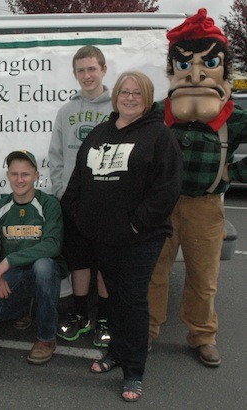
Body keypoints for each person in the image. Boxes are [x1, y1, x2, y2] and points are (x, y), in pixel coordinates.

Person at [61, 71, 182, 402]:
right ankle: (115, 352)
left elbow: (166, 189)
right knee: (112, 297)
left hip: (140, 238)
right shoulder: (100, 132)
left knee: (132, 299)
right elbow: (80, 177)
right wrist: (78, 215)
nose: (130, 98)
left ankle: (134, 371)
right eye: (124, 92)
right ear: (115, 96)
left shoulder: (159, 136)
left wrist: (135, 225)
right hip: (102, 236)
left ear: (148, 98)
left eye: (137, 93)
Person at [148, 9, 247, 368]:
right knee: (154, 272)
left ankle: (202, 335)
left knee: (204, 277)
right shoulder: (158, 111)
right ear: (172, 68)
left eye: (209, 62)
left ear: (224, 67)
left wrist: (232, 171)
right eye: (185, 64)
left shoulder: (233, 115)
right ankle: (147, 329)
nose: (196, 72)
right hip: (162, 206)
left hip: (205, 207)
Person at [48, 45, 112, 347]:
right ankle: (80, 315)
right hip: (73, 202)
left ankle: (104, 319)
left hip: (107, 201)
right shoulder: (66, 111)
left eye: (92, 69)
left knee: (106, 262)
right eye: (81, 70)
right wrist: (62, 192)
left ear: (103, 70)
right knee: (79, 261)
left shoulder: (117, 109)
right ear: (75, 74)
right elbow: (56, 156)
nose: (87, 75)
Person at [0, 150, 66, 365]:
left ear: (36, 176)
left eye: (25, 174)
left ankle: (46, 338)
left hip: (44, 270)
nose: (19, 179)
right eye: (14, 174)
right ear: (7, 175)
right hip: (16, 275)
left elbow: (53, 245)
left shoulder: (48, 204)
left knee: (43, 267)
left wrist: (8, 261)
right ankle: (24, 306)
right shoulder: (1, 206)